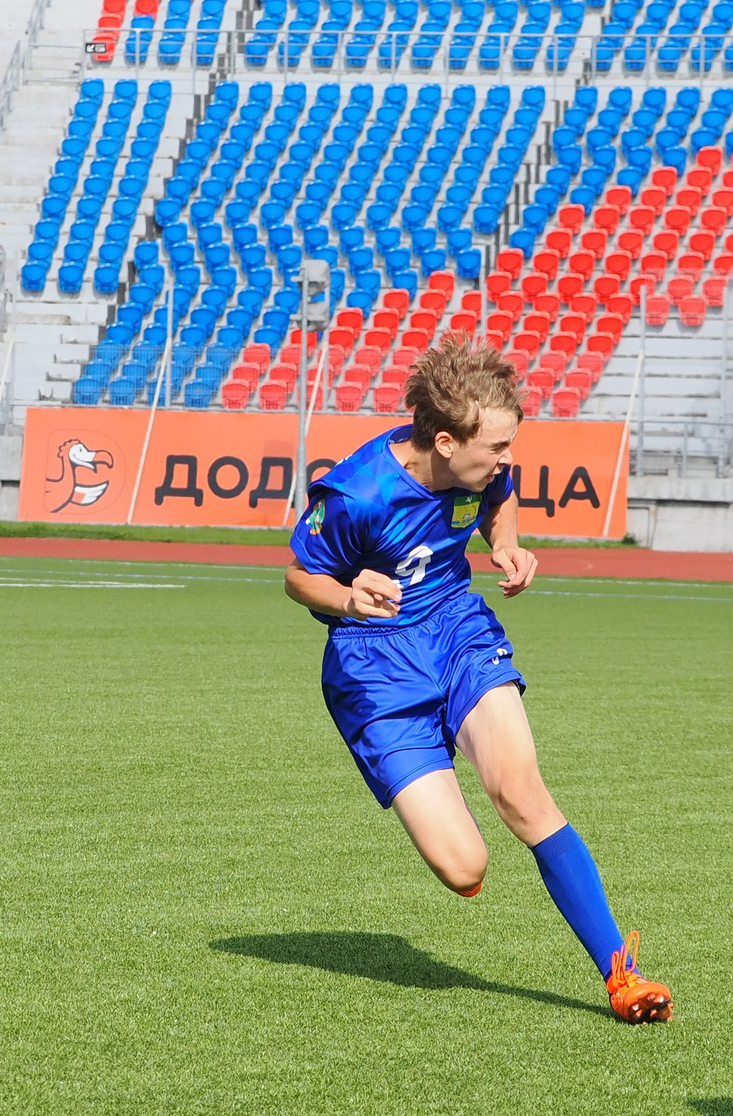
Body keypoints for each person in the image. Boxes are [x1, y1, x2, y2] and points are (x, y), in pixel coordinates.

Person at [285, 338, 671, 1024]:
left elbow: (501, 499)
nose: (505, 460)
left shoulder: (483, 465)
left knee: (522, 793)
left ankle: (623, 973)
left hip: (458, 631)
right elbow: (297, 576)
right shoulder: (359, 492)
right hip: (375, 671)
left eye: (508, 446)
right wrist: (345, 597)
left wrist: (506, 544)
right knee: (465, 868)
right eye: (494, 447)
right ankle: (429, 760)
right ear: (442, 440)